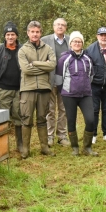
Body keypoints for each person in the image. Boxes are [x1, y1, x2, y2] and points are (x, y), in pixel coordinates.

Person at [55, 31, 99, 156]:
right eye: (75, 41)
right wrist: (63, 91)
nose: (77, 43)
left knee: (90, 120)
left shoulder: (87, 59)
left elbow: (91, 76)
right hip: (69, 95)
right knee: (71, 121)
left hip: (85, 94)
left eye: (79, 41)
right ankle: (75, 147)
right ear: (71, 44)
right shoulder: (64, 59)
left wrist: (85, 87)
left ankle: (87, 147)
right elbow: (59, 78)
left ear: (82, 44)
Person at [18, 21, 57, 158]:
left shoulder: (48, 49)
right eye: (32, 31)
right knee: (26, 119)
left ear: (41, 33)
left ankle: (44, 147)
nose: (35, 34)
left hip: (44, 88)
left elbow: (52, 65)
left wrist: (34, 63)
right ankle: (25, 149)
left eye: (37, 32)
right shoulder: (22, 50)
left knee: (42, 118)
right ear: (28, 33)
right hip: (27, 89)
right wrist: (43, 66)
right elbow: (26, 69)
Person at [0, 21, 23, 153]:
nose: (10, 37)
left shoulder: (23, 49)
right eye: (8, 34)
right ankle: (1, 146)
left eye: (12, 34)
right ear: (4, 36)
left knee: (19, 117)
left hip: (19, 90)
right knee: (1, 119)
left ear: (16, 36)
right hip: (2, 90)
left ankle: (20, 145)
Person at [41, 18, 71, 147]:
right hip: (50, 79)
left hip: (66, 81)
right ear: (53, 26)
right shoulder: (45, 40)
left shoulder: (71, 40)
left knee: (64, 109)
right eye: (58, 24)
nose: (60, 27)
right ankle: (49, 136)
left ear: (66, 27)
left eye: (63, 25)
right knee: (50, 110)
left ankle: (62, 136)